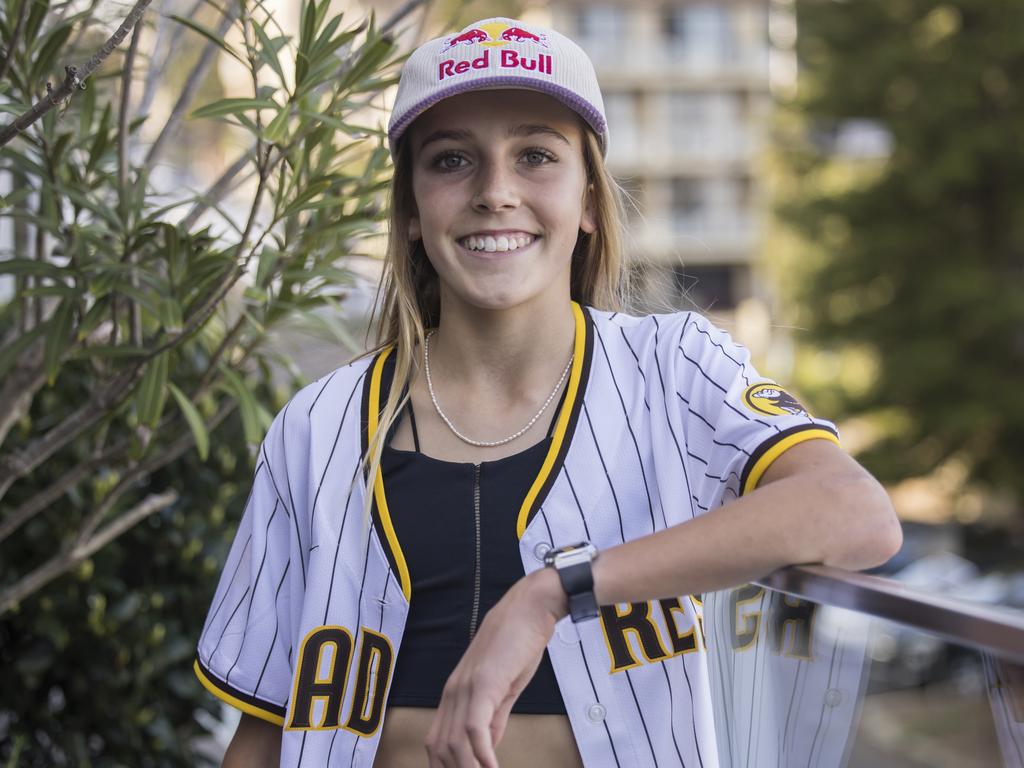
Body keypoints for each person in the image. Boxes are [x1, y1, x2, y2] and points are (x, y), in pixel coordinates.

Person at [193, 16, 903, 768]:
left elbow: (856, 514)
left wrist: (554, 594)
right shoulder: (319, 426)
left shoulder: (673, 367)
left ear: (591, 201)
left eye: (535, 155)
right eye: (451, 160)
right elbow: (265, 734)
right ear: (409, 212)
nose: (494, 192)